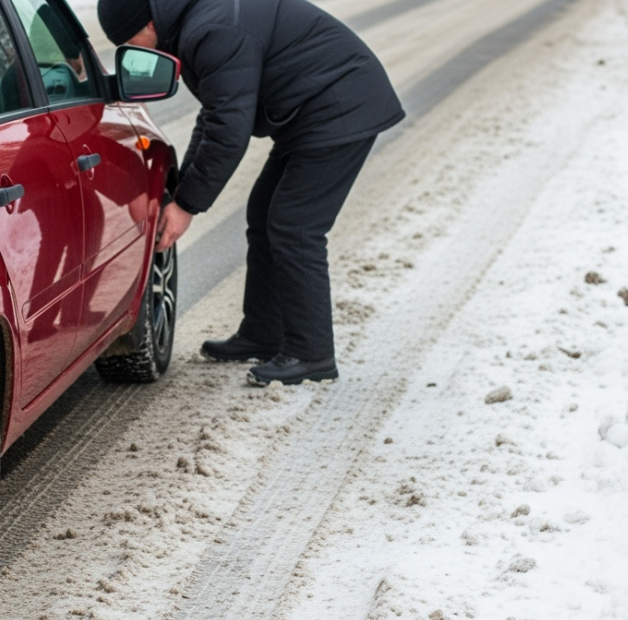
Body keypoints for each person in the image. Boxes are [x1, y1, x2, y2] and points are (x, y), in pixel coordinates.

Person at [97, 0, 404, 386]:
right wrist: (180, 190)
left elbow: (229, 129)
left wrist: (187, 205)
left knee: (295, 226)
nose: (135, 52)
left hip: (341, 107)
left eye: (129, 42)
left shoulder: (211, 31)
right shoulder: (194, 24)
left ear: (148, 24)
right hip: (311, 113)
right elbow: (214, 114)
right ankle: (262, 334)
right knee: (263, 213)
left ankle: (312, 354)